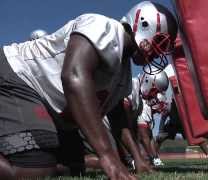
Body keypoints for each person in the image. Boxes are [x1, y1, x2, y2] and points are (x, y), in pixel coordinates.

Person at [0, 1, 177, 179]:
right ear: (144, 24)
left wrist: (138, 159)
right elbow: (73, 76)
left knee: (75, 167)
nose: (158, 53)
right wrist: (108, 156)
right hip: (17, 74)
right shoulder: (103, 26)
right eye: (160, 43)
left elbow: (118, 119)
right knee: (33, 170)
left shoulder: (123, 74)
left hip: (49, 104)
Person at [156, 98, 208, 162]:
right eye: (174, 100)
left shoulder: (186, 106)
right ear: (173, 101)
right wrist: (160, 132)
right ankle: (154, 157)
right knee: (159, 139)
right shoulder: (169, 107)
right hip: (172, 125)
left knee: (198, 138)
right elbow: (163, 119)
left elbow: (194, 116)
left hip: (184, 126)